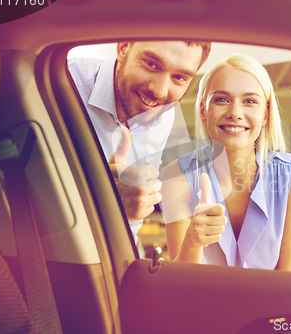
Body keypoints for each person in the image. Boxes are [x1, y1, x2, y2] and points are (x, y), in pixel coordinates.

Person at [161, 53, 291, 271]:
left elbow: (289, 277)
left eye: (249, 101)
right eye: (222, 99)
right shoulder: (177, 175)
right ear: (203, 110)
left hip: (273, 305)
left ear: (266, 114)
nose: (235, 113)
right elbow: (182, 283)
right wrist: (192, 241)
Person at [68, 41, 211, 242]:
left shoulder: (162, 113)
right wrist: (103, 198)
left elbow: (131, 215)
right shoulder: (63, 81)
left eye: (179, 77)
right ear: (123, 48)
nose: (160, 91)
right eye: (151, 64)